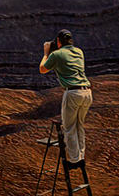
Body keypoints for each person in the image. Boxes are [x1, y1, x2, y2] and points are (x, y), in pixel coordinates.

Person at [39, 29, 92, 168]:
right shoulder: (79, 52)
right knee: (79, 125)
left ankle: (74, 160)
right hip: (87, 93)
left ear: (58, 41)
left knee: (68, 128)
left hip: (73, 93)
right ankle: (80, 157)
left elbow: (42, 69)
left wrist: (46, 53)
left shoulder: (56, 54)